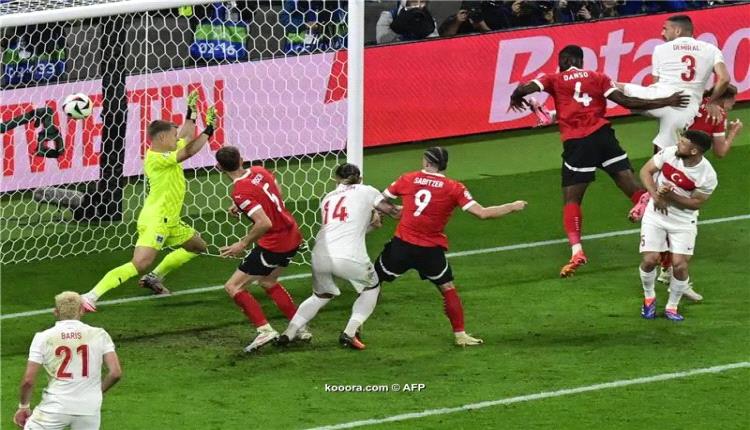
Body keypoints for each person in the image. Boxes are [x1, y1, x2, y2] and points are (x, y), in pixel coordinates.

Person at [509, 45, 690, 277]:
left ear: (563, 61)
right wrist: (667, 100)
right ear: (580, 62)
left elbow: (523, 89)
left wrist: (516, 97)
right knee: (634, 190)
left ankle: (577, 252)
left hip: (578, 144)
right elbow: (627, 102)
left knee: (572, 200)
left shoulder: (553, 78)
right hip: (604, 138)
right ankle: (665, 246)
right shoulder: (598, 77)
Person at [374, 147, 527, 347]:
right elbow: (482, 213)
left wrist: (394, 212)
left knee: (373, 280)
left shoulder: (408, 178)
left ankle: (355, 327)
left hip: (402, 245)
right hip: (430, 250)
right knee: (447, 288)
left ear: (426, 162)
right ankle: (460, 335)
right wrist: (512, 206)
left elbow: (379, 200)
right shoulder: (454, 188)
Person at [81, 92, 217, 312]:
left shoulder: (167, 148)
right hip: (157, 220)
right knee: (140, 263)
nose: (177, 139)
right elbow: (189, 151)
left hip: (171, 220)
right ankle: (90, 296)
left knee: (197, 246)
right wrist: (210, 129)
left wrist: (192, 112)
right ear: (162, 138)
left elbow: (186, 135)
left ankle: (155, 277)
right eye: (173, 136)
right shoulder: (156, 158)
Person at [276, 163, 401, 350]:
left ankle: (289, 332)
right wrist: (418, 207)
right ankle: (349, 333)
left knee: (320, 295)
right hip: (348, 257)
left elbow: (342, 229)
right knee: (371, 288)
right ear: (360, 178)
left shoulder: (327, 198)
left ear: (336, 179)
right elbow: (395, 212)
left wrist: (371, 226)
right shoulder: (366, 190)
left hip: (320, 255)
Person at [649, 84, 742, 298]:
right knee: (679, 217)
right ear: (724, 99)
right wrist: (733, 133)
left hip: (665, 156)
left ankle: (666, 269)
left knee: (665, 214)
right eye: (732, 100)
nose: (734, 104)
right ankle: (676, 278)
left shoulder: (695, 102)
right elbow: (720, 151)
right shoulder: (717, 114)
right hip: (683, 167)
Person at [215, 146, 310, 353]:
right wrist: (242, 205)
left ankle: (264, 330)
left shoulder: (239, 192)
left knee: (233, 286)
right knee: (268, 281)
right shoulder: (259, 171)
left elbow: (264, 223)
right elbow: (277, 193)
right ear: (242, 159)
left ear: (219, 167)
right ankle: (300, 327)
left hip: (274, 244)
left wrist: (242, 243)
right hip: (292, 235)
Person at [620, 15, 730, 154]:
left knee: (615, 88)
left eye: (665, 29)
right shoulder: (712, 49)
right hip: (686, 106)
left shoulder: (660, 49)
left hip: (659, 98)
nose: (662, 33)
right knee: (668, 150)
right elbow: (724, 79)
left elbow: (656, 83)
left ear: (677, 31)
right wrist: (711, 102)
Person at [637, 131, 716, 321]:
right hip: (655, 215)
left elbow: (696, 203)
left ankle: (672, 307)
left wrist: (670, 195)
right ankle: (649, 298)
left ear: (694, 151)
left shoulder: (707, 175)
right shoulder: (669, 153)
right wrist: (656, 196)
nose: (678, 144)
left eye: (683, 142)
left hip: (683, 221)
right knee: (650, 260)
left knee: (680, 265)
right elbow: (645, 171)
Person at [14, 292, 122, 429]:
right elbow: (115, 373)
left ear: (56, 312)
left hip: (55, 408)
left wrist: (23, 406)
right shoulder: (100, 334)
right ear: (82, 310)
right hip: (89, 408)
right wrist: (97, 392)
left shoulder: (43, 337)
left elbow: (28, 381)